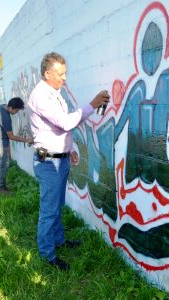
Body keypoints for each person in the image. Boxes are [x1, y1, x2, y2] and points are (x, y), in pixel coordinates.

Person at [28, 52, 110, 270]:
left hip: (59, 158)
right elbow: (64, 123)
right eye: (60, 74)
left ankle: (59, 241)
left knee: (57, 204)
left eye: (65, 73)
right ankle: (47, 254)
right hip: (49, 164)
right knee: (49, 210)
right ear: (47, 73)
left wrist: (69, 148)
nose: (64, 78)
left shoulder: (55, 92)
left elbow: (55, 130)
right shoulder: (40, 96)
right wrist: (92, 105)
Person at [0, 97, 33, 193]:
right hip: (0, 142)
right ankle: (1, 188)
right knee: (4, 164)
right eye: (16, 110)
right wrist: (27, 140)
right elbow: (11, 136)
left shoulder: (1, 107)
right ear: (11, 108)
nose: (16, 113)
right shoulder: (5, 117)